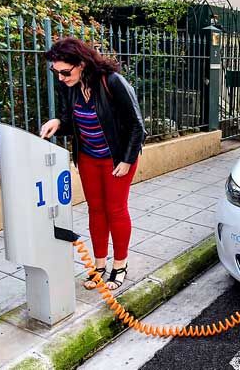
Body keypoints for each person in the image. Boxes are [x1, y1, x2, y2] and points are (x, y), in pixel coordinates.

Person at [40, 37, 146, 290]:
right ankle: (99, 266)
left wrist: (127, 159)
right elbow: (72, 121)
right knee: (96, 210)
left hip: (116, 158)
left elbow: (136, 125)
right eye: (57, 73)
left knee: (116, 210)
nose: (61, 78)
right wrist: (58, 123)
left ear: (82, 64)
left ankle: (120, 265)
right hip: (88, 157)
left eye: (65, 72)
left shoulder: (112, 82)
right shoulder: (70, 86)